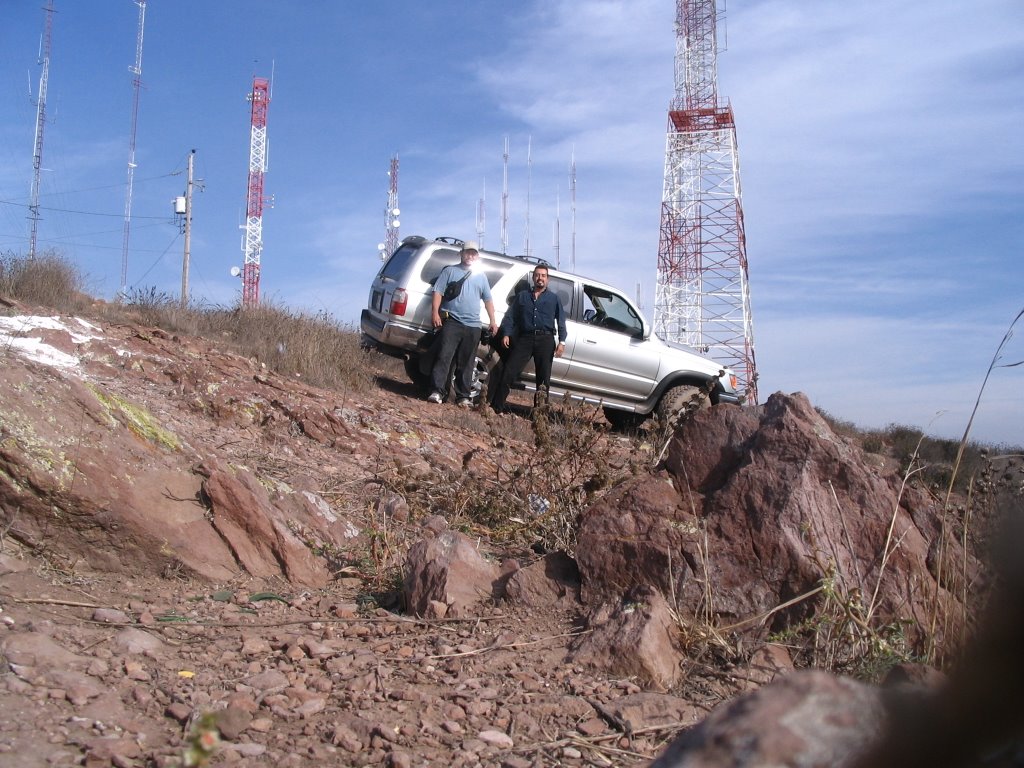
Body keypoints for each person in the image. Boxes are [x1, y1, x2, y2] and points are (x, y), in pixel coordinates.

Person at [427, 241, 498, 407]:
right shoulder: (449, 271)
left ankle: (463, 397)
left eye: (473, 253)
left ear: (477, 256)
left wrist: (493, 321)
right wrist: (435, 313)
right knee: (444, 356)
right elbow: (438, 292)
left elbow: (488, 299)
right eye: (467, 253)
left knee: (467, 362)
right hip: (452, 321)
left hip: (473, 325)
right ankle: (437, 391)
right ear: (461, 253)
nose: (470, 256)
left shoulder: (481, 277)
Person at [490, 264, 567, 414]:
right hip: (525, 339)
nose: (540, 278)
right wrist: (506, 333)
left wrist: (562, 342)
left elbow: (561, 321)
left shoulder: (554, 299)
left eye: (543, 276)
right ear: (533, 277)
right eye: (537, 275)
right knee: (509, 371)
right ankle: (496, 407)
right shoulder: (523, 296)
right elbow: (510, 317)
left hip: (546, 340)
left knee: (543, 380)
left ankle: (539, 415)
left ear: (547, 279)